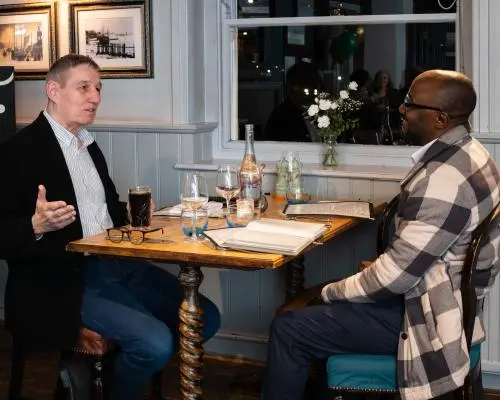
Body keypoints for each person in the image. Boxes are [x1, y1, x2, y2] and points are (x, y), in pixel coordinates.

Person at [261, 70, 500, 400]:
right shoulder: (474, 155)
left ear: (440, 119)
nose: (402, 109)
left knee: (289, 327)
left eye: (411, 104)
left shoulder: (442, 180)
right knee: (311, 303)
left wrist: (330, 293)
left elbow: (396, 277)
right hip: (444, 301)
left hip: (424, 317)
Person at [0, 54, 221, 400]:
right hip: (61, 278)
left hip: (116, 261)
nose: (95, 97)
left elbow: (109, 210)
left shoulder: (88, 145)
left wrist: (142, 215)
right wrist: (35, 225)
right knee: (156, 343)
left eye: (98, 88)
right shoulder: (19, 151)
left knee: (207, 318)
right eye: (84, 88)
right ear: (53, 91)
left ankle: (92, 375)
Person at [264, 61, 326, 142]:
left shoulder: (324, 113)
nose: (312, 96)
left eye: (315, 91)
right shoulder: (281, 120)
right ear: (291, 91)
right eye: (306, 91)